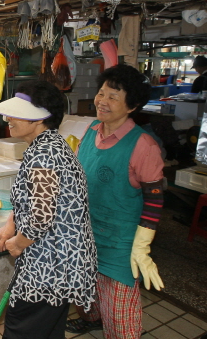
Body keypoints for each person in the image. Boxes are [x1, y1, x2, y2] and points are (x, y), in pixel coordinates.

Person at [0, 81, 97, 339]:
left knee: (22, 328)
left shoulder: (44, 153)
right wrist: (10, 224)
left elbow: (41, 215)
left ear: (39, 119)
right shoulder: (46, 145)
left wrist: (19, 244)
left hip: (51, 264)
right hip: (57, 259)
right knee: (46, 331)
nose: (8, 118)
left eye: (16, 113)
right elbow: (33, 199)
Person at [66, 64, 165, 338]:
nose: (102, 101)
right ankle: (90, 319)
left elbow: (155, 199)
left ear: (131, 106)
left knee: (120, 316)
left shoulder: (144, 145)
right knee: (85, 289)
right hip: (86, 233)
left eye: (113, 96)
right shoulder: (91, 130)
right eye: (101, 93)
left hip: (120, 241)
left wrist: (142, 247)